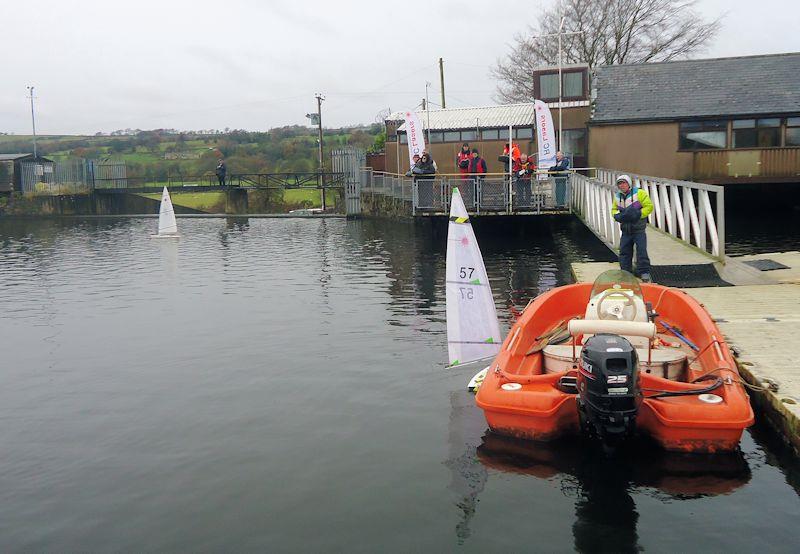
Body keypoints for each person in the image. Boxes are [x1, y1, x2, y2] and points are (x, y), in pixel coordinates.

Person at [612, 174, 654, 282]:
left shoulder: (640, 193)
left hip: (638, 229)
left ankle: (644, 272)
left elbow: (649, 206)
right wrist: (617, 216)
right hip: (626, 230)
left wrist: (639, 214)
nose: (622, 186)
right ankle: (625, 272)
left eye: (624, 183)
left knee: (641, 251)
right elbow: (614, 209)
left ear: (629, 184)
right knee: (624, 252)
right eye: (619, 184)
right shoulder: (617, 196)